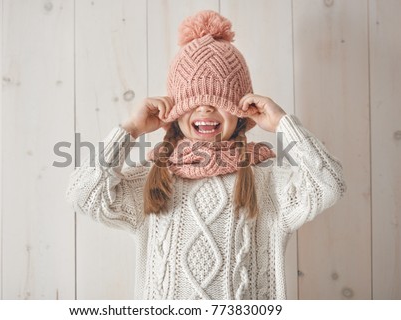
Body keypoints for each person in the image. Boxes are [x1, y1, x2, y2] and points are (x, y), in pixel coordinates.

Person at [65, 10, 346, 299]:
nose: (205, 109)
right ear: (174, 114)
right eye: (193, 101)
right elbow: (84, 194)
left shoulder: (268, 185)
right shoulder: (153, 183)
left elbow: (329, 184)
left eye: (219, 100)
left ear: (241, 112)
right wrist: (131, 129)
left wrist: (284, 124)